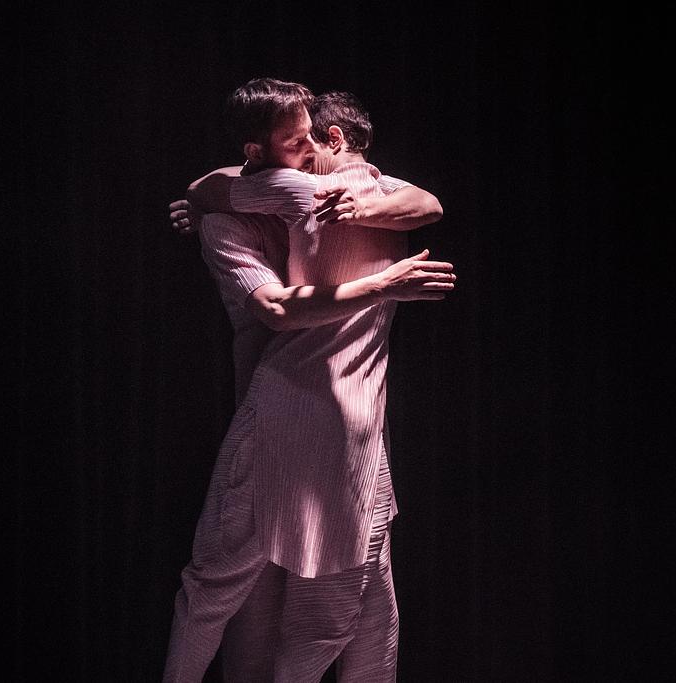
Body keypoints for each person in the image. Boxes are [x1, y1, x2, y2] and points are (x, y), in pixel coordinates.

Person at [162, 79, 455, 682]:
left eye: (304, 141)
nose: (297, 158)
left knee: (239, 587)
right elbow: (428, 205)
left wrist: (203, 197)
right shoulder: (306, 189)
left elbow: (214, 186)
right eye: (290, 142)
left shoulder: (311, 190)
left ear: (334, 138)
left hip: (315, 413)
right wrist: (385, 282)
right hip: (326, 414)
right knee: (338, 604)